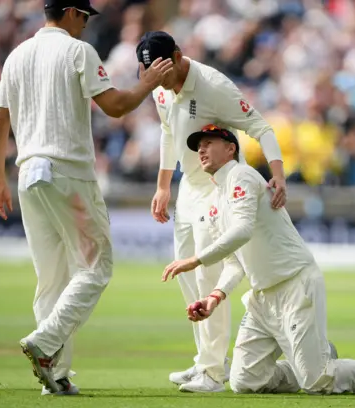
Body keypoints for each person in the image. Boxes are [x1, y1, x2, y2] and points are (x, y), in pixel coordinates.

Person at [0, 0, 173, 396]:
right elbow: (117, 107)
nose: (87, 25)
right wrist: (149, 81)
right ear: (71, 12)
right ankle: (45, 341)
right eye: (85, 17)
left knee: (52, 278)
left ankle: (54, 375)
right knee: (97, 266)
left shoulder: (17, 55)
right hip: (67, 172)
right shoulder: (77, 51)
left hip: (27, 177)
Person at [161, 125, 355, 396]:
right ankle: (313, 359)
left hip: (294, 283)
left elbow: (243, 229)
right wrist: (215, 295)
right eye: (198, 145)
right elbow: (235, 261)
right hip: (262, 297)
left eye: (208, 142)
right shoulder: (215, 201)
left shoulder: (242, 175)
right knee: (245, 381)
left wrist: (195, 260)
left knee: (318, 382)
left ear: (230, 148)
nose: (201, 149)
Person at [136, 31, 287, 392]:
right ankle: (205, 359)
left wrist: (278, 175)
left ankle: (214, 374)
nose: (161, 81)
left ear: (177, 55)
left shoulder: (213, 86)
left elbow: (261, 127)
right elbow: (168, 133)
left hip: (219, 186)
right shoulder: (158, 85)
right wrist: (162, 184)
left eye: (163, 71)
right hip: (188, 187)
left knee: (207, 275)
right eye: (152, 74)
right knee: (185, 274)